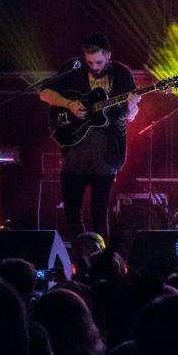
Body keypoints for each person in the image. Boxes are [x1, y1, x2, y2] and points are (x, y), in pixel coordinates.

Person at [39, 32, 140, 242]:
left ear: (109, 55)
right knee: (72, 214)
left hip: (107, 156)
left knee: (100, 214)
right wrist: (69, 104)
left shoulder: (122, 74)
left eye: (99, 62)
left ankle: (101, 257)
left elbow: (129, 116)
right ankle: (80, 256)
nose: (94, 67)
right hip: (74, 154)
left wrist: (132, 107)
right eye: (90, 62)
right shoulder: (74, 69)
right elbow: (44, 93)